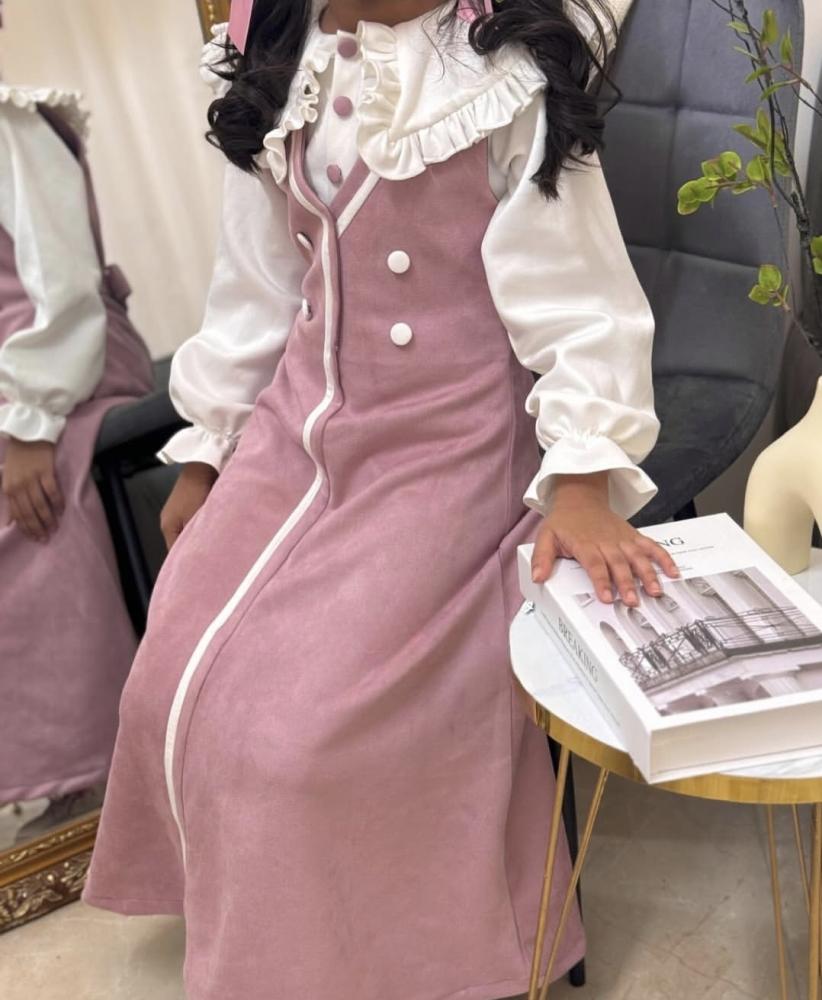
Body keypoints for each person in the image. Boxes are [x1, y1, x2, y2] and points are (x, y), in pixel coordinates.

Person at [84, 1, 679, 997]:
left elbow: (584, 308)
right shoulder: (281, 53)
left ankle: (382, 951)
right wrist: (209, 449)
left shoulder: (504, 78)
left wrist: (582, 481)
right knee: (165, 673)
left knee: (305, 734)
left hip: (450, 444)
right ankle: (257, 913)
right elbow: (256, 286)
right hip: (298, 428)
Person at [0, 54, 154, 838]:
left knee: (26, 510)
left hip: (68, 367)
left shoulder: (12, 126)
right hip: (21, 381)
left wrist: (30, 423)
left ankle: (88, 766)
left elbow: (62, 286)